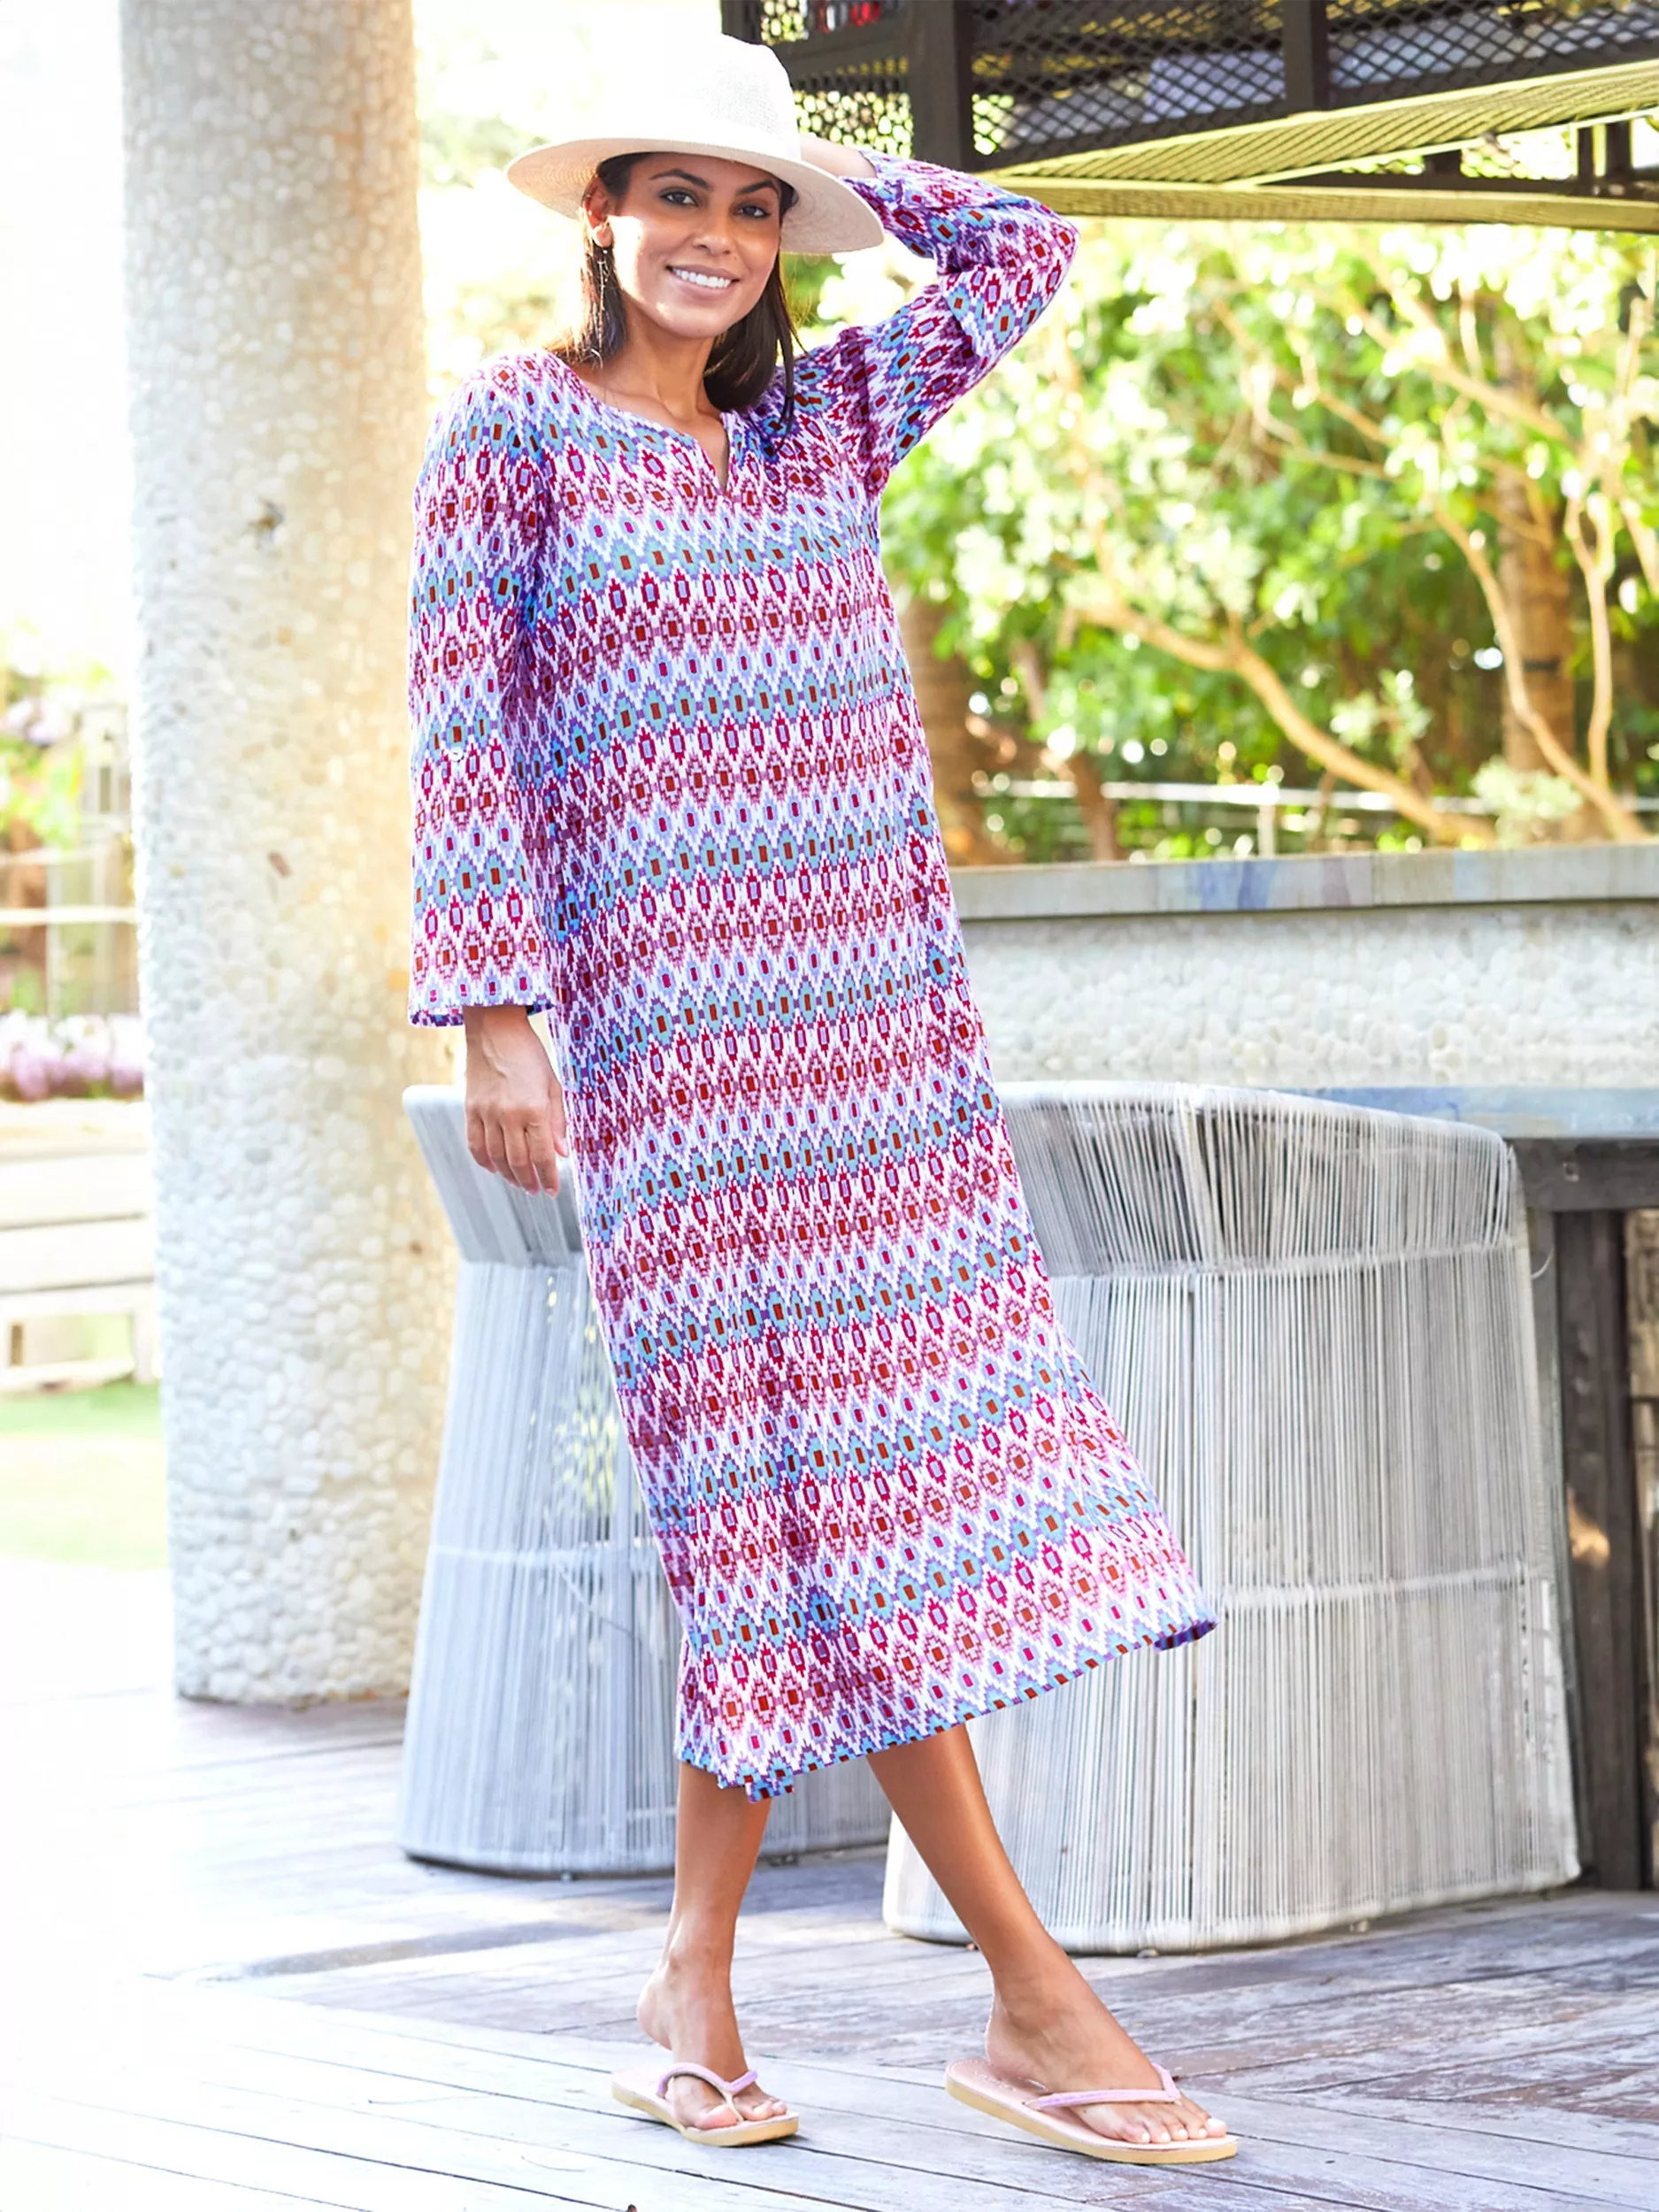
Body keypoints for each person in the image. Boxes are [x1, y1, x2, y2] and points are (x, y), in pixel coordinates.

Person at [407, 32, 1230, 2172]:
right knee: (776, 1497)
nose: (715, 235)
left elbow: (1027, 249)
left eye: (752, 207)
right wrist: (491, 1012)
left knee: (816, 1510)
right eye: (675, 192)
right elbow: (459, 725)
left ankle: (696, 1979)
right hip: (673, 1062)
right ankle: (1031, 1995)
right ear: (602, 213)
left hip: (876, 1060)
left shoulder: (822, 424)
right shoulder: (510, 431)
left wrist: (834, 162)